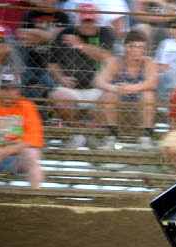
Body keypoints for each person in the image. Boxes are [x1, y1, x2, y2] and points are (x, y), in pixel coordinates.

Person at [47, 3, 115, 149]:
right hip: (72, 89)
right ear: (78, 19)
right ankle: (80, 134)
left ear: (97, 20)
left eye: (91, 20)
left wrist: (80, 45)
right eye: (85, 20)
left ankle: (89, 134)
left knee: (111, 96)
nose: (88, 24)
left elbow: (107, 57)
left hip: (97, 88)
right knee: (58, 96)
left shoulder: (105, 33)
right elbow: (52, 63)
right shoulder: (65, 33)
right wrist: (61, 78)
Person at [94, 29, 158, 149]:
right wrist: (116, 88)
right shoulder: (116, 62)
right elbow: (99, 81)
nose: (141, 50)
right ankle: (112, 135)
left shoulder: (148, 62)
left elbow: (153, 83)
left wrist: (132, 87)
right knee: (108, 95)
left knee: (148, 95)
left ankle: (146, 137)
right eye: (137, 47)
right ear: (127, 47)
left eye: (143, 47)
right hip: (120, 101)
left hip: (139, 102)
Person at [17, 0, 70, 102]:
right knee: (26, 87)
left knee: (51, 89)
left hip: (51, 62)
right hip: (30, 61)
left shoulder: (63, 16)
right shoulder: (30, 14)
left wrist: (35, 34)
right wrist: (48, 36)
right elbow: (21, 35)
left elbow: (60, 38)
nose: (45, 1)